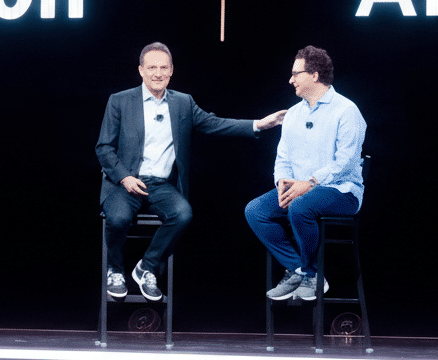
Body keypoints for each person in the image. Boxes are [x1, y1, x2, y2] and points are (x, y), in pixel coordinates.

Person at [98, 42, 287, 301]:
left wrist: (259, 125)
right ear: (141, 70)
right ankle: (115, 270)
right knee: (118, 219)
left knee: (183, 213)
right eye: (151, 67)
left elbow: (214, 124)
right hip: (125, 182)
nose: (158, 73)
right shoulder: (120, 101)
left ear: (172, 70)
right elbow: (104, 148)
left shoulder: (182, 103)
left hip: (161, 185)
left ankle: (147, 267)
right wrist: (125, 177)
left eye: (163, 67)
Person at [246, 45, 365, 301]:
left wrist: (310, 182)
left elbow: (346, 161)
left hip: (341, 191)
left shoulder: (346, 110)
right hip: (300, 189)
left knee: (300, 206)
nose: (291, 80)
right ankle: (299, 269)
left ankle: (312, 275)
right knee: (255, 211)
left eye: (295, 73)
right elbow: (283, 158)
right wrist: (281, 182)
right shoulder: (293, 115)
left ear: (314, 75)